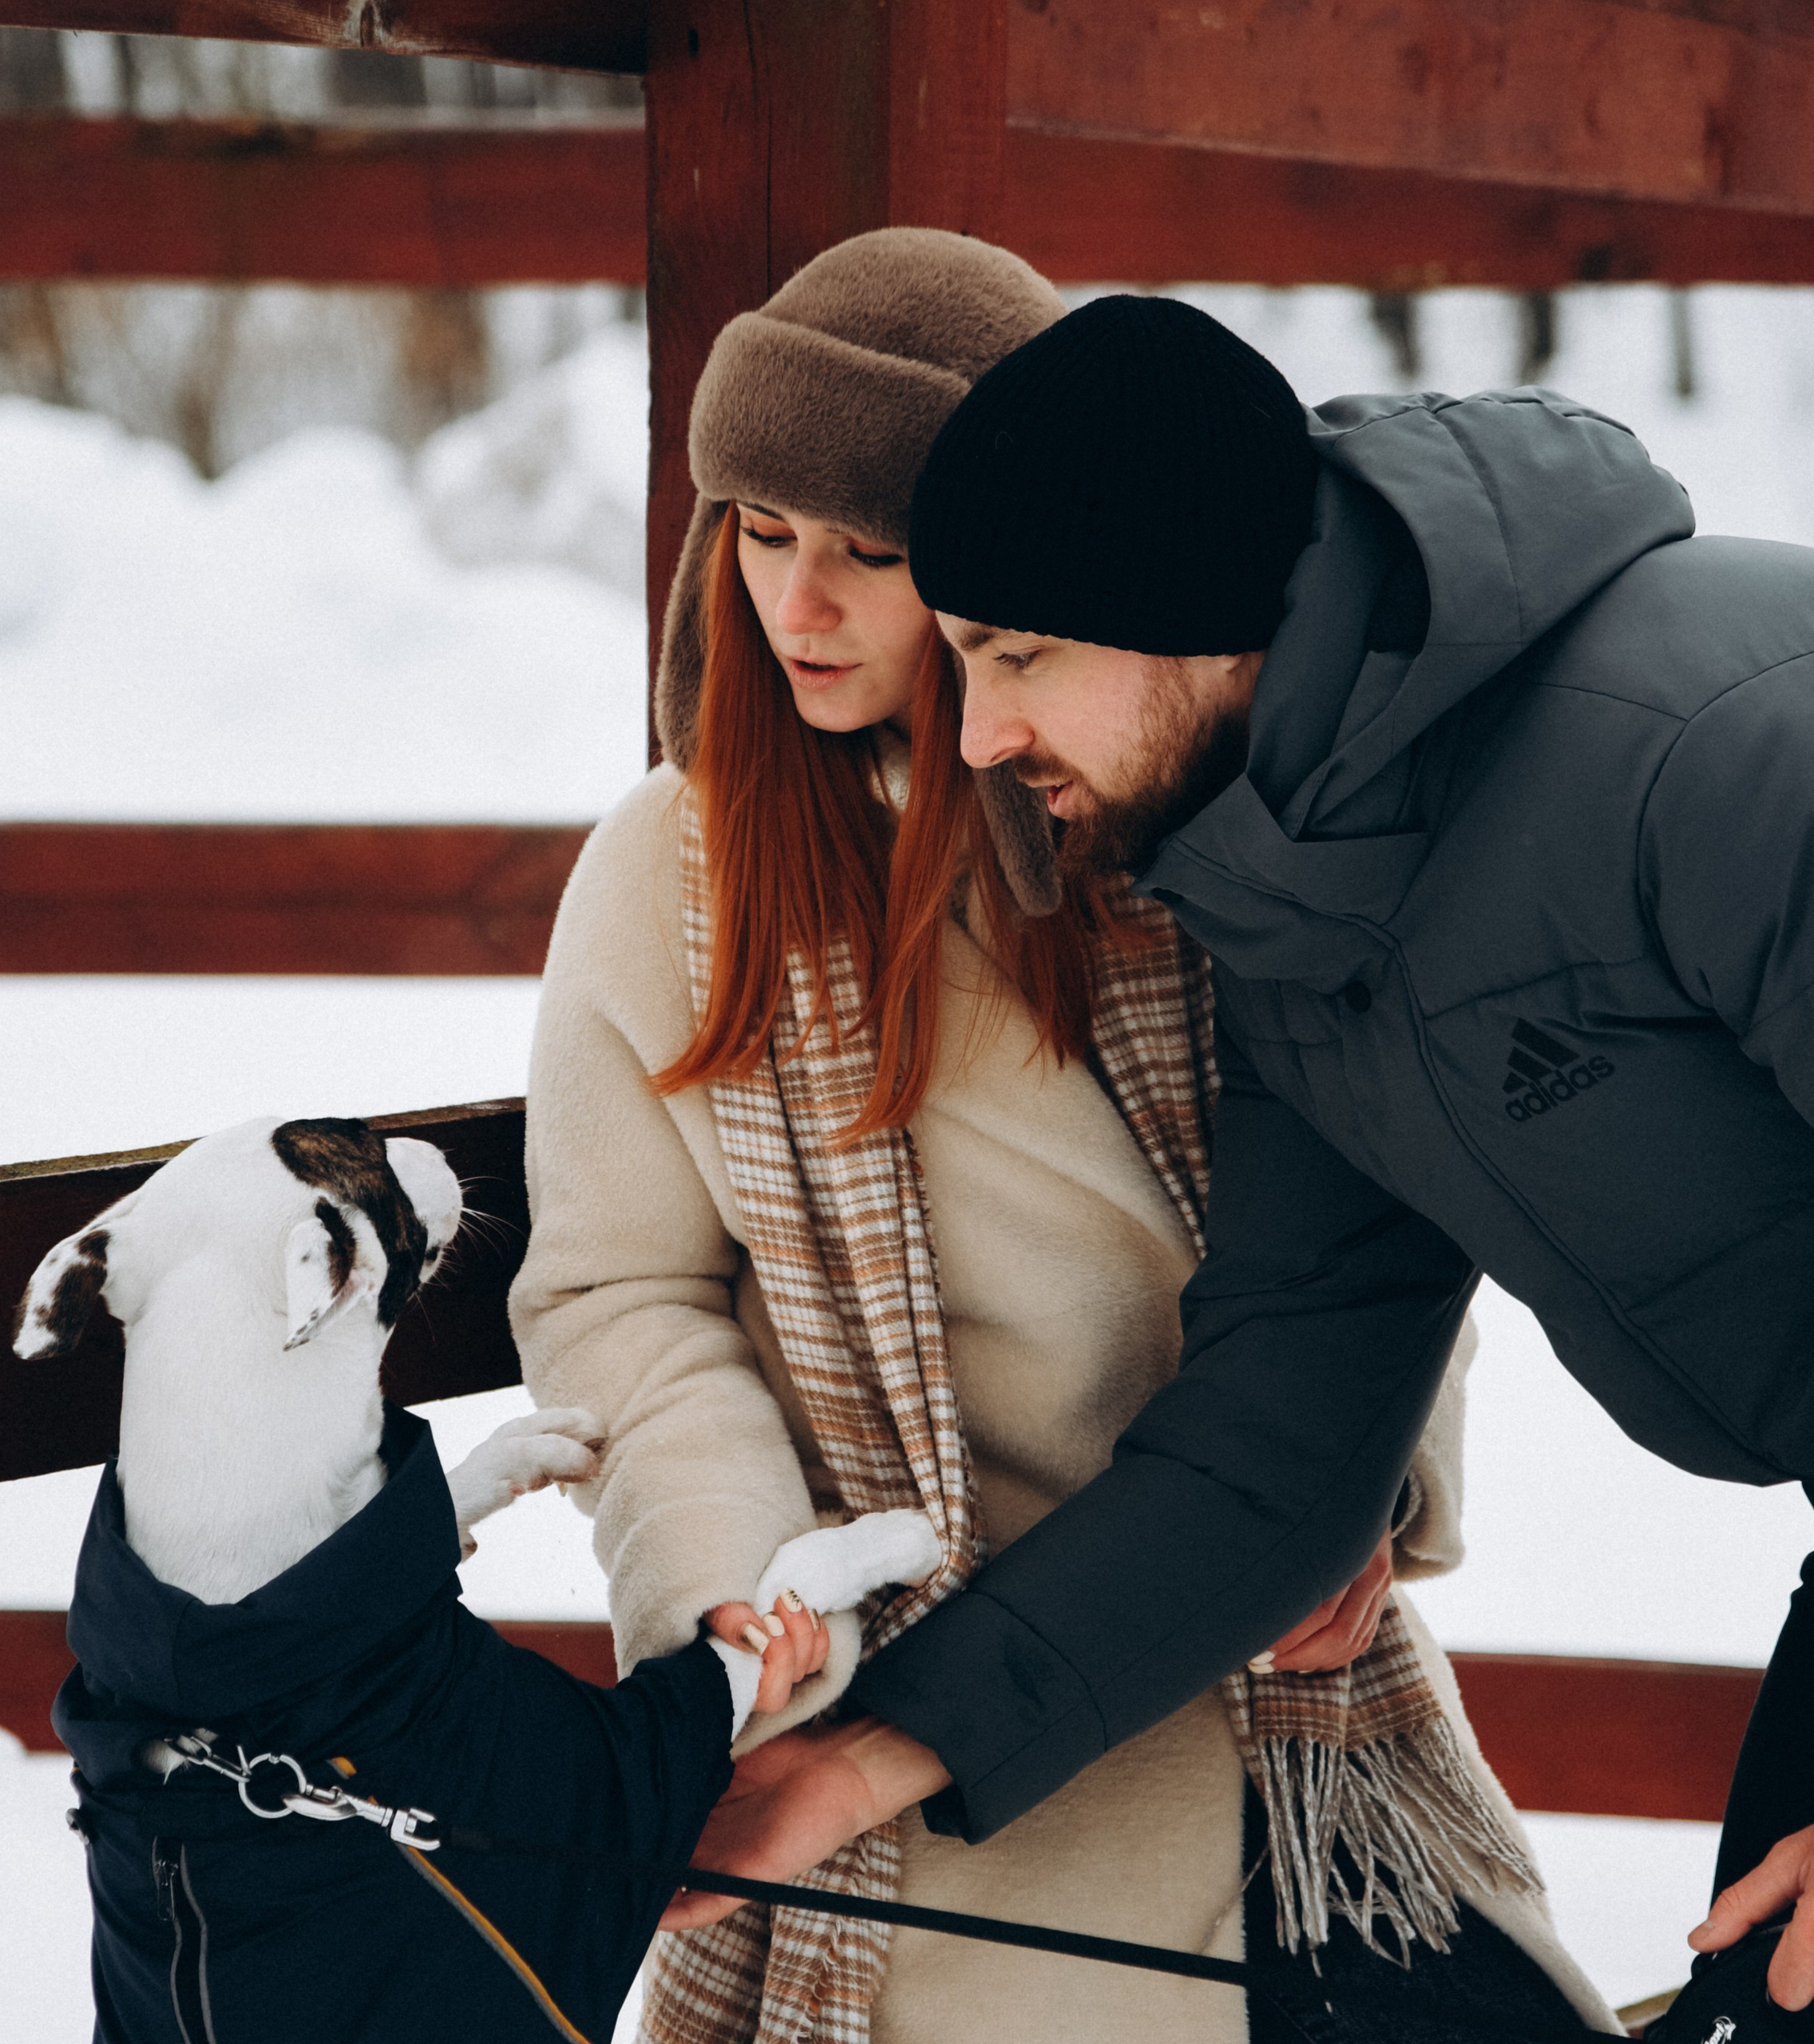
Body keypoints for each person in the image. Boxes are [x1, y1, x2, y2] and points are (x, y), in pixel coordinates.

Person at [511, 236, 1612, 2042]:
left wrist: (1364, 1496)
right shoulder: (669, 872)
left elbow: (1373, 1184)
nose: (802, 605)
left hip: (1230, 1646)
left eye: (872, 553)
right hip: (898, 1702)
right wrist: (731, 1588)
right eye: (761, 533)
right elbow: (623, 1288)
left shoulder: (1160, 824)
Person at [687, 288, 1814, 2018]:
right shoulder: (1293, 903)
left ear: (1194, 618)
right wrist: (871, 1754)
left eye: (1017, 653)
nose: (976, 734)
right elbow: (1286, 1423)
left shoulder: (1715, 750)